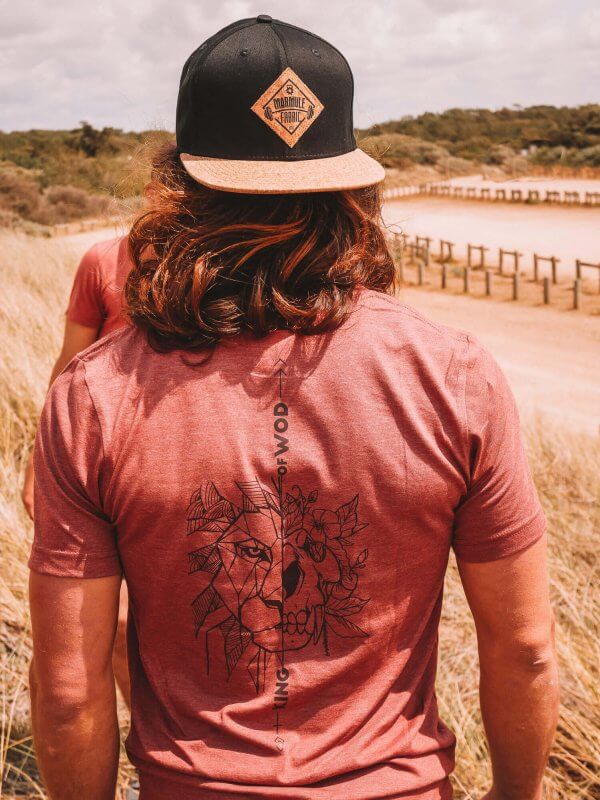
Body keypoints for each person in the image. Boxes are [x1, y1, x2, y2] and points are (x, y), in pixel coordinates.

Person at [28, 15, 559, 800]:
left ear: (182, 185)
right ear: (352, 189)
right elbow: (526, 649)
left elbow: (70, 690)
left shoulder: (94, 398)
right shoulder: (456, 376)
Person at [23, 233, 133, 707]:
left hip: (165, 461)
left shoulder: (214, 255)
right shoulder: (103, 261)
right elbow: (68, 366)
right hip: (98, 459)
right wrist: (38, 461)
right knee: (112, 627)